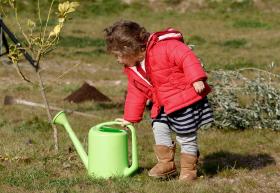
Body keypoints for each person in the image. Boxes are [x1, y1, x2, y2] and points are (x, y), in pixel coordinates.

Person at [104, 20, 213, 181]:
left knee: (185, 135)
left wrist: (196, 78)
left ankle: (188, 170)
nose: (118, 60)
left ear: (130, 49)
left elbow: (185, 56)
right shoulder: (133, 70)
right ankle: (166, 163)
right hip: (163, 104)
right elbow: (136, 93)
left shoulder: (164, 47)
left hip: (184, 100)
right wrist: (130, 118)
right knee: (158, 126)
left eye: (118, 56)